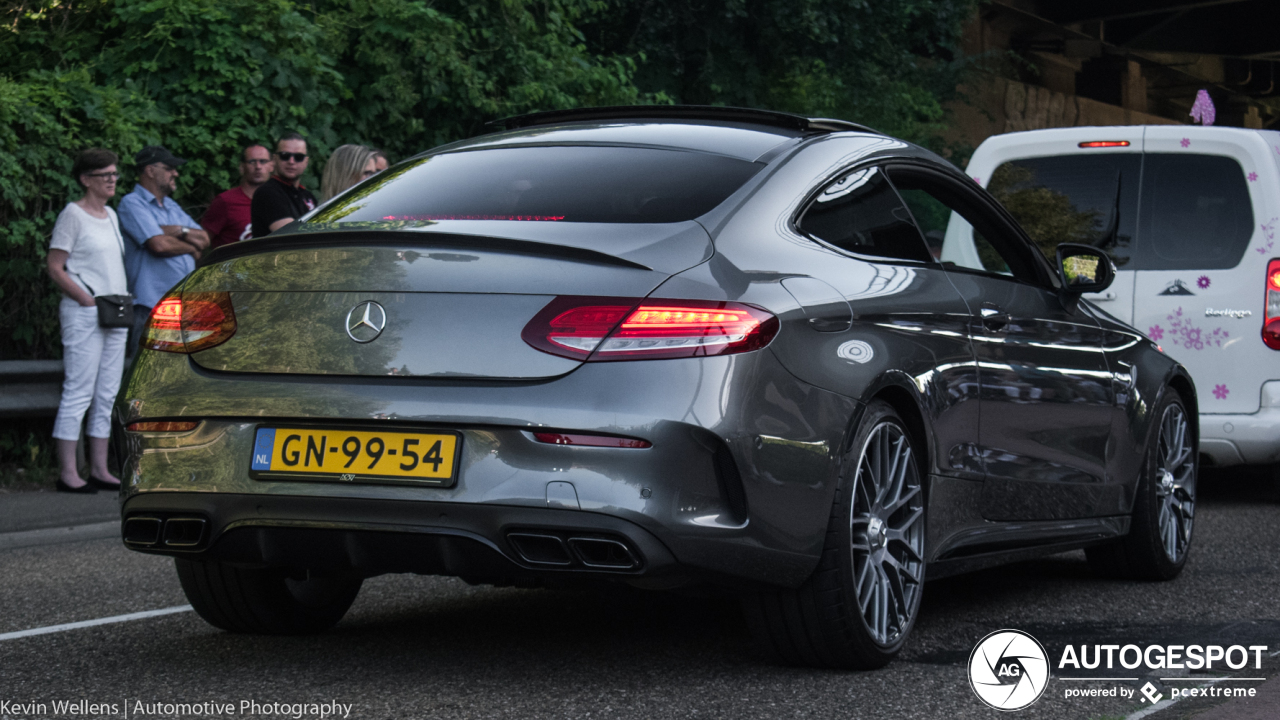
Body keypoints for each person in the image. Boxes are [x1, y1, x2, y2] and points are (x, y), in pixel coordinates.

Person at [46, 149, 130, 493]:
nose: (112, 180)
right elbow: (55, 266)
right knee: (79, 390)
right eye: (104, 174)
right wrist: (85, 299)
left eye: (114, 174)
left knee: (108, 391)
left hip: (115, 309)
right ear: (86, 179)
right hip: (85, 312)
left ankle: (99, 468)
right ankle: (69, 472)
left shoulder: (110, 214)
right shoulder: (73, 215)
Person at [118, 145, 210, 359]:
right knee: (144, 377)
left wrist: (177, 231)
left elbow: (204, 239)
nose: (175, 173)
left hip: (180, 307)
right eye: (169, 168)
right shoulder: (132, 203)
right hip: (150, 306)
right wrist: (190, 245)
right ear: (150, 170)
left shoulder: (170, 206)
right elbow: (159, 245)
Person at [201, 143, 273, 248]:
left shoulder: (280, 201)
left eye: (263, 161)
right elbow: (201, 240)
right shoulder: (225, 201)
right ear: (242, 167)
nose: (258, 167)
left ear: (271, 166)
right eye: (252, 162)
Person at [251, 132, 317, 237]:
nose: (291, 161)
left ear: (306, 161)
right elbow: (292, 236)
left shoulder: (308, 196)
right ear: (275, 159)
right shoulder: (267, 193)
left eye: (298, 157)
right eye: (285, 156)